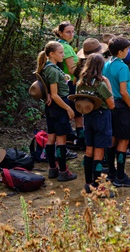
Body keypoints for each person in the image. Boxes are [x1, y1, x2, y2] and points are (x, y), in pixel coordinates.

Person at [70, 53, 114, 195]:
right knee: (99, 152)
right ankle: (99, 187)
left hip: (87, 118)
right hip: (101, 117)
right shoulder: (100, 84)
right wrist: (108, 84)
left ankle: (88, 183)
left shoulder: (80, 83)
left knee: (89, 150)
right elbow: (111, 104)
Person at [37, 41, 77, 182]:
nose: (63, 55)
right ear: (52, 54)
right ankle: (63, 171)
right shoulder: (52, 70)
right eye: (61, 53)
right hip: (59, 105)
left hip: (51, 108)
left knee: (51, 137)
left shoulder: (47, 67)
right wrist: (68, 108)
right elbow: (54, 95)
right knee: (61, 140)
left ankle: (52, 168)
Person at [103, 37, 130, 187]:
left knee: (112, 139)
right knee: (123, 140)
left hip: (110, 104)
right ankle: (120, 175)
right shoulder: (123, 67)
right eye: (126, 50)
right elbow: (124, 91)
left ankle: (111, 172)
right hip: (122, 106)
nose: (128, 52)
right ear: (120, 52)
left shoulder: (106, 65)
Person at [53, 21, 84, 147]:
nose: (71, 34)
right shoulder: (65, 47)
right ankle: (79, 139)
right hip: (70, 82)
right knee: (77, 112)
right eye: (68, 32)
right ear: (60, 33)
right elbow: (72, 69)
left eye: (72, 31)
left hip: (65, 82)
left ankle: (72, 138)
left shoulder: (60, 45)